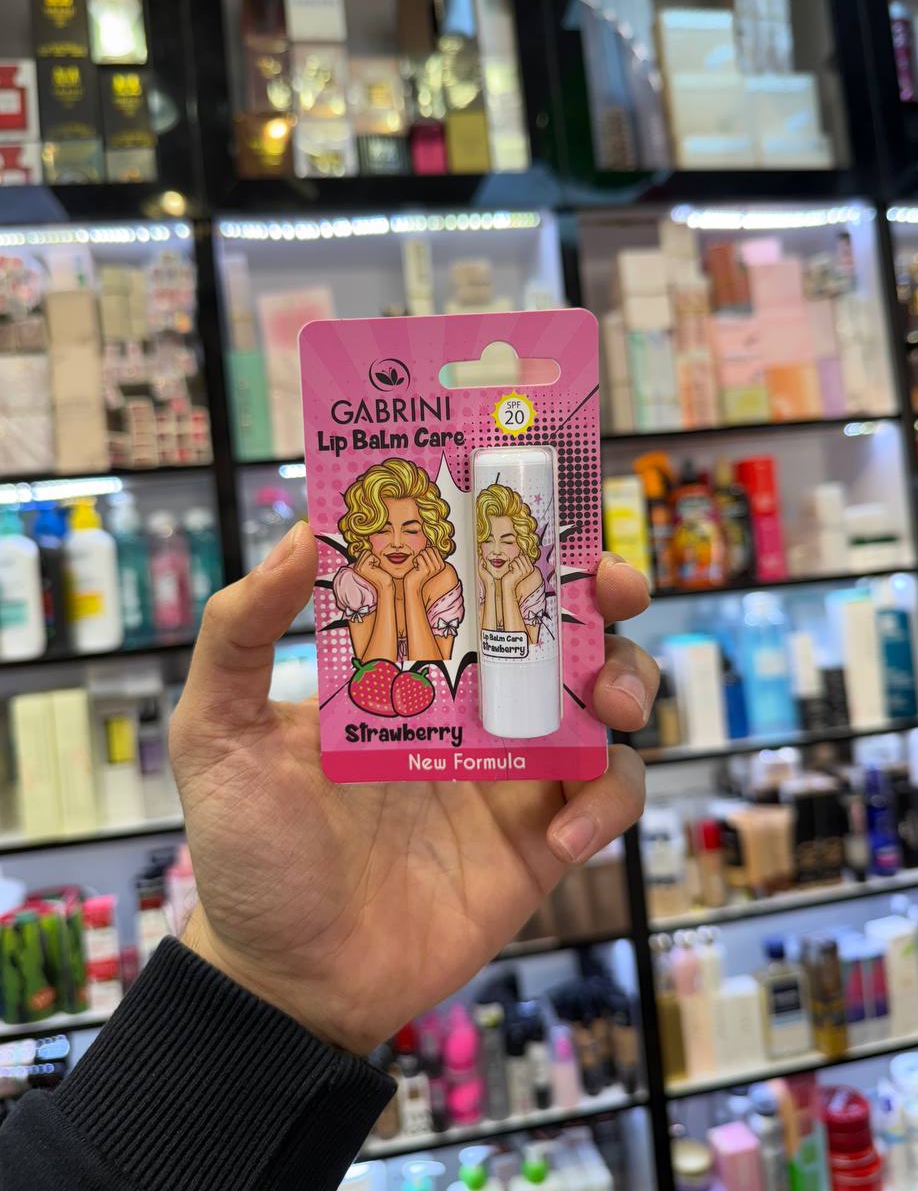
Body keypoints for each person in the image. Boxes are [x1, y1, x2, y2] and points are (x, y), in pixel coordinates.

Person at [1, 522, 658, 1190]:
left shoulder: (447, 581)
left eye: (413, 527)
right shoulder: (365, 585)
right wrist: (270, 986)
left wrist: (262, 992)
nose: (398, 540)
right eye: (385, 527)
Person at [333, 457, 465, 663]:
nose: (396, 543)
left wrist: (413, 589)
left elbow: (434, 671)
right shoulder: (356, 582)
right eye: (382, 531)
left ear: (430, 534)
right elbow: (373, 672)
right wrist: (385, 588)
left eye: (411, 531)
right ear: (365, 534)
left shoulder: (442, 579)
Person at [476, 481, 549, 645]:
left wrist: (508, 586)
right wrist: (490, 585)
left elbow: (526, 648)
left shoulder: (531, 579)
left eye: (507, 542)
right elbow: (486, 645)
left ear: (522, 545)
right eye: (488, 541)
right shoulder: (478, 578)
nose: (496, 551)